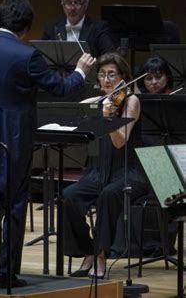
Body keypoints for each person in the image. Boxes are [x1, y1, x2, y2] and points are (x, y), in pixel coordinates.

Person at [0, 0, 95, 288]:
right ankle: (5, 274)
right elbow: (60, 88)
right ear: (25, 27)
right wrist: (81, 71)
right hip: (14, 137)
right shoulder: (27, 55)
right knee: (14, 204)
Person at [63, 52, 150, 278]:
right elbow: (80, 107)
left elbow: (120, 142)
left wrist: (107, 118)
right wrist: (102, 102)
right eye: (102, 75)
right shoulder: (104, 102)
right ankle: (88, 250)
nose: (106, 79)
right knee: (69, 196)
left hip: (129, 172)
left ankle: (101, 255)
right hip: (100, 170)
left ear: (123, 76)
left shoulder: (131, 101)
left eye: (112, 74)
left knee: (108, 195)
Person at [41, 0, 115, 57]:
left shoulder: (99, 28)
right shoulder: (51, 28)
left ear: (85, 5)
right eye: (68, 3)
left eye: (77, 3)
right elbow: (41, 54)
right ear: (62, 5)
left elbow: (109, 56)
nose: (72, 8)